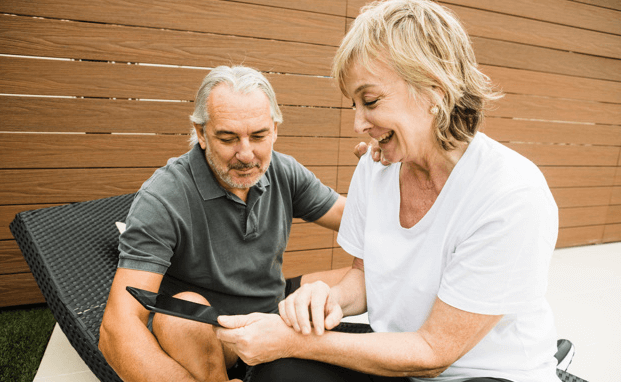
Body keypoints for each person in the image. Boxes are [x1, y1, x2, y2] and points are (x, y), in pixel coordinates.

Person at [214, 1, 561, 381]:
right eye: (354, 104)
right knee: (279, 373)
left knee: (290, 349)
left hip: (484, 373)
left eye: (371, 100)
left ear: (433, 87)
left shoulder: (510, 193)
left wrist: (295, 341)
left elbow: (434, 353)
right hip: (402, 358)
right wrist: (329, 298)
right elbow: (364, 277)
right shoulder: (375, 168)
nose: (359, 123)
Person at [98, 65, 348, 382]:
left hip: (271, 319)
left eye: (258, 136)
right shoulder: (163, 197)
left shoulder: (283, 171)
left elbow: (355, 221)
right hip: (205, 334)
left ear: (274, 129)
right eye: (228, 138)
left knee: (353, 282)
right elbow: (117, 328)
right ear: (201, 133)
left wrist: (385, 176)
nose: (246, 154)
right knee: (181, 316)